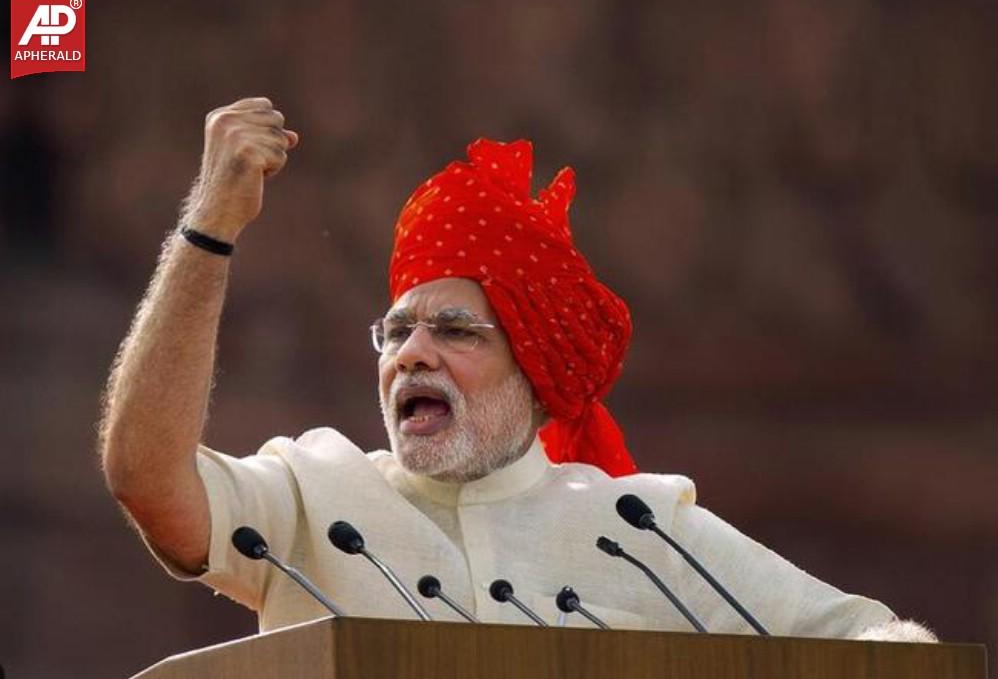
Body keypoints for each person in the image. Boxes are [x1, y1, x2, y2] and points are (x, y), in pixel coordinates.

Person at [99, 97, 933, 641]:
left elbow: (869, 641)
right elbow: (146, 475)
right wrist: (210, 227)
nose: (410, 353)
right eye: (395, 333)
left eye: (455, 330)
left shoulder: (640, 529)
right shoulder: (310, 495)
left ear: (533, 372)